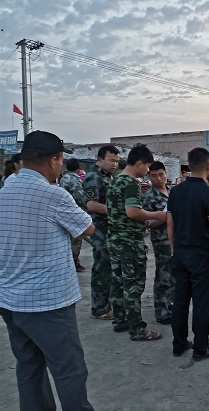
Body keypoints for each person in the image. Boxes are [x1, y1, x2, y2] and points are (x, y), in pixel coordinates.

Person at [0, 130, 95, 410]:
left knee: (29, 366)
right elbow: (87, 228)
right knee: (69, 369)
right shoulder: (53, 194)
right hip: (47, 302)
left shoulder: (5, 190)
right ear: (54, 160)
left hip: (10, 299)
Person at [168, 148, 209, 360]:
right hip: (201, 255)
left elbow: (170, 222)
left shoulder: (175, 191)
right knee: (202, 303)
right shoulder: (208, 193)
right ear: (208, 166)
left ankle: (179, 344)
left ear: (188, 165)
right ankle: (200, 348)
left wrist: (173, 247)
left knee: (180, 300)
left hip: (180, 253)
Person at [106, 144, 166, 341]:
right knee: (133, 285)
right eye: (147, 166)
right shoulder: (131, 183)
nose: (147, 171)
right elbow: (133, 212)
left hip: (115, 239)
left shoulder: (116, 180)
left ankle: (121, 320)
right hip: (129, 242)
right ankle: (138, 329)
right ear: (140, 163)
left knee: (118, 282)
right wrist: (156, 215)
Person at [83, 145, 120, 320]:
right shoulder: (93, 177)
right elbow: (91, 204)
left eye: (117, 161)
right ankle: (99, 309)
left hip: (109, 227)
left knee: (109, 268)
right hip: (99, 228)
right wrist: (116, 211)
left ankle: (106, 304)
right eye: (111, 160)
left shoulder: (107, 177)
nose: (115, 164)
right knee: (102, 268)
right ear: (100, 159)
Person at [143, 161, 175, 325]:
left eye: (161, 174)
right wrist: (162, 217)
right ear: (149, 176)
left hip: (176, 239)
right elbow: (148, 223)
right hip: (161, 240)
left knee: (175, 274)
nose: (158, 178)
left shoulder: (172, 192)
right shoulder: (149, 196)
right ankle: (161, 311)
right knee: (163, 275)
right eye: (154, 176)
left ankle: (172, 305)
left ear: (166, 173)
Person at [60, 158, 88, 272]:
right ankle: (74, 263)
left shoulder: (64, 178)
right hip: (73, 213)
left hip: (64, 213)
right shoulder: (74, 179)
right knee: (76, 239)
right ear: (78, 168)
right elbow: (80, 197)